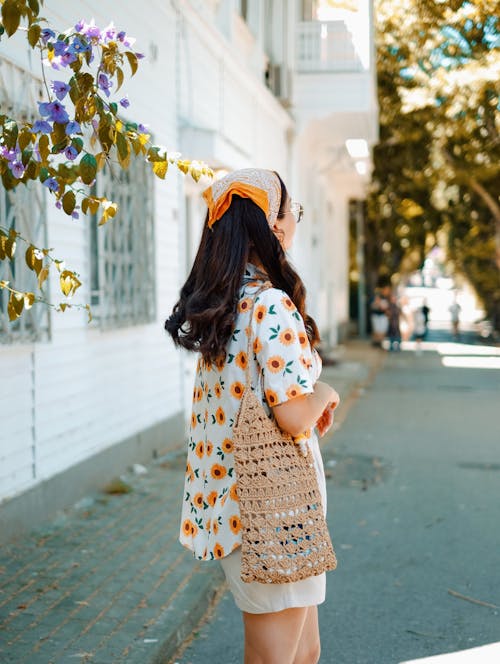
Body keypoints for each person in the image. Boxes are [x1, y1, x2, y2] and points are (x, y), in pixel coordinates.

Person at [165, 168, 340, 664]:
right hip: (275, 508)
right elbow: (291, 418)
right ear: (274, 226)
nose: (295, 223)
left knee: (302, 652)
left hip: (236, 503)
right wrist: (325, 393)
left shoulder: (223, 310)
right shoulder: (270, 305)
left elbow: (252, 403)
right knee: (279, 658)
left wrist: (306, 407)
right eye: (295, 212)